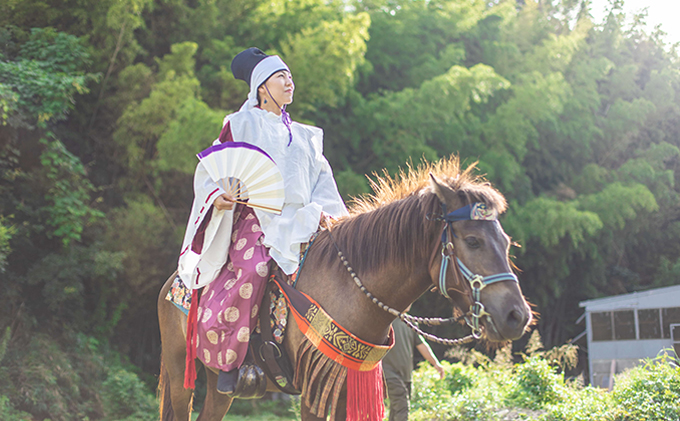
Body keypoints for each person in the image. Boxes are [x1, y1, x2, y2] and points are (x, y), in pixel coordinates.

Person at [176, 47, 348, 394]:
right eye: (281, 77)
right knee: (254, 268)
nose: (290, 82)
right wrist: (218, 195)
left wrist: (334, 217)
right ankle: (234, 360)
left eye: (290, 76)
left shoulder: (307, 135)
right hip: (257, 218)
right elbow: (211, 168)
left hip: (303, 218)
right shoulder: (240, 124)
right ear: (261, 88)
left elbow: (323, 183)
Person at [383, 310, 445, 421]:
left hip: (405, 374)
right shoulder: (386, 319)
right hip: (388, 372)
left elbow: (421, 345)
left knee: (396, 410)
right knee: (402, 405)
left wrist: (436, 364)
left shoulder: (411, 321)